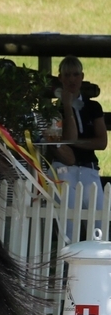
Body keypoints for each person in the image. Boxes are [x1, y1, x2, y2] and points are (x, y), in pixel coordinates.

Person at [51, 56, 106, 236]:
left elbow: (102, 142)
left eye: (75, 75)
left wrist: (77, 144)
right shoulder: (54, 110)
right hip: (65, 169)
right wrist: (67, 107)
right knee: (68, 224)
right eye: (67, 75)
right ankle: (67, 263)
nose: (72, 79)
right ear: (61, 78)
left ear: (82, 77)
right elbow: (69, 138)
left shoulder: (93, 107)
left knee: (99, 223)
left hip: (88, 168)